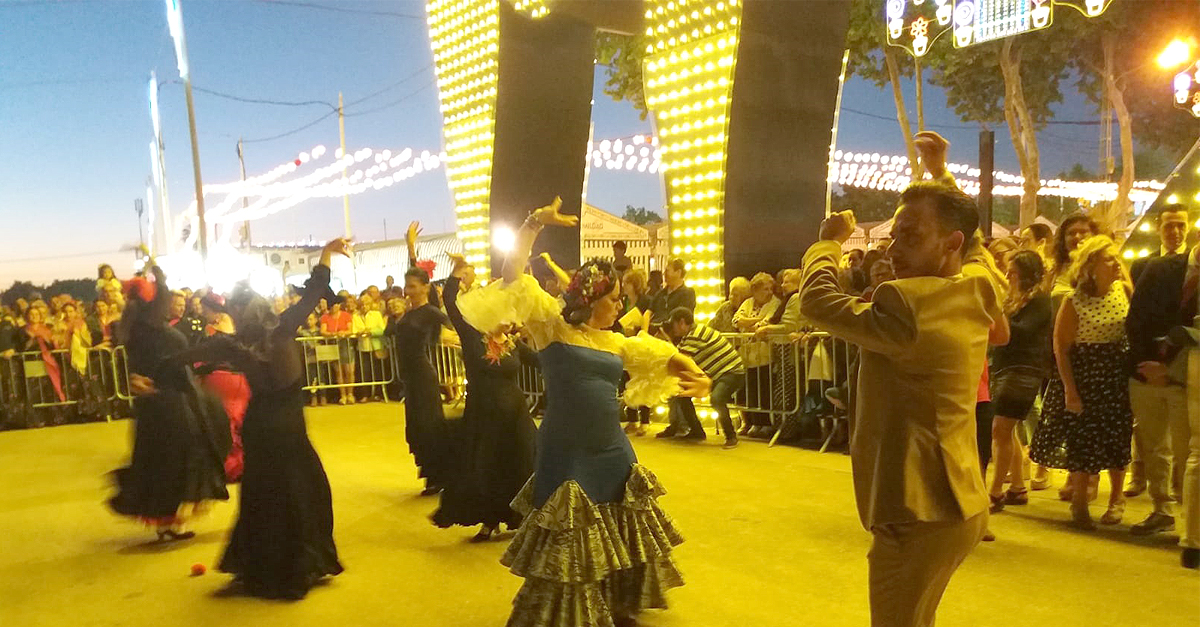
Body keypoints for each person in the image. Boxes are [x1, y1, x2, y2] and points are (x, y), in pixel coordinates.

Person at [456, 197, 709, 627]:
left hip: (612, 447)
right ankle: (566, 611)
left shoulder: (615, 341)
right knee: (571, 528)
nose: (619, 307)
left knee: (619, 521)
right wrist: (533, 222)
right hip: (567, 446)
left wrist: (698, 374)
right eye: (613, 299)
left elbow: (662, 355)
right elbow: (513, 275)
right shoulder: (551, 326)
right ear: (592, 298)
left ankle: (616, 603)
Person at [800, 131, 1003, 627]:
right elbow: (971, 238)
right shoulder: (980, 287)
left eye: (910, 237)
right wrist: (940, 176)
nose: (893, 249)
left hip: (917, 508)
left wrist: (826, 244)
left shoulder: (905, 304)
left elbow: (818, 302)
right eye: (895, 234)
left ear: (950, 245)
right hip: (960, 504)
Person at [166, 238, 349, 599]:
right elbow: (315, 291)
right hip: (288, 430)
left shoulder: (230, 345)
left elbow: (176, 360)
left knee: (263, 498)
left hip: (260, 428)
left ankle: (261, 565)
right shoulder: (283, 328)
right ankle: (296, 566)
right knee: (300, 495)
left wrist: (149, 377)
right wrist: (326, 254)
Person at [109, 264, 230, 541]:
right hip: (171, 401)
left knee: (162, 460)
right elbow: (174, 367)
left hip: (156, 403)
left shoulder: (136, 329)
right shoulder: (157, 331)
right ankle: (173, 521)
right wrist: (158, 273)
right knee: (184, 457)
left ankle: (167, 522)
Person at [431, 253, 536, 541]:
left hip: (516, 416)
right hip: (484, 416)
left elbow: (543, 362)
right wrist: (456, 272)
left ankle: (520, 516)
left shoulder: (513, 344)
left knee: (520, 464)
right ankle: (489, 520)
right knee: (486, 467)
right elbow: (450, 302)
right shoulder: (472, 337)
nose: (507, 318)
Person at [1033, 235, 1133, 528]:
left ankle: (1116, 499)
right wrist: (1070, 390)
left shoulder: (1124, 290)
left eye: (1116, 258)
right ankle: (1079, 502)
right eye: (1109, 259)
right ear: (1091, 266)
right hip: (1085, 373)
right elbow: (1061, 347)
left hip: (1116, 372)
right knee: (1082, 439)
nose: (1116, 264)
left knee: (1117, 436)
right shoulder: (1074, 300)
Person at [1126, 204, 1192, 536]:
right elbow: (1135, 319)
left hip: (1185, 376)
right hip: (1146, 372)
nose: (1176, 232)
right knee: (1153, 446)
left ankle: (1190, 516)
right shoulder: (1149, 266)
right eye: (1170, 225)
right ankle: (1161, 508)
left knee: (1187, 451)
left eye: (1182, 225)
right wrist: (1150, 365)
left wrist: (1171, 368)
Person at [987, 251, 1052, 512]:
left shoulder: (1040, 300)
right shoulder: (1014, 299)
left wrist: (998, 314)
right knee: (1008, 429)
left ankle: (995, 491)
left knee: (1000, 429)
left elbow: (1023, 331)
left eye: (1012, 272)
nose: (1007, 276)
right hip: (1005, 367)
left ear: (1026, 274)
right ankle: (1016, 487)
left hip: (1024, 370)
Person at [394, 261, 454, 496]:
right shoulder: (410, 312)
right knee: (418, 427)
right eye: (406, 285)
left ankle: (439, 476)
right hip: (411, 378)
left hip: (422, 376)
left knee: (430, 426)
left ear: (425, 287)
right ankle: (431, 475)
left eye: (412, 286)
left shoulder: (430, 312)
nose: (407, 290)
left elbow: (453, 326)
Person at [665, 307, 746, 449]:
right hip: (720, 373)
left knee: (717, 399)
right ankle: (696, 431)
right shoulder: (691, 335)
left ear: (682, 322)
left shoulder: (696, 335)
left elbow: (679, 358)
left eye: (673, 324)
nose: (672, 329)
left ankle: (731, 436)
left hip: (731, 372)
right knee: (682, 395)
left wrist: (663, 341)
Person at [195, 292, 252, 483]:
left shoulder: (211, 330)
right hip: (239, 378)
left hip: (219, 379)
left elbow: (204, 358)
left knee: (222, 422)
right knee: (239, 420)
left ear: (214, 311)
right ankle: (243, 464)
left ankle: (230, 467)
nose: (203, 313)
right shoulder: (236, 326)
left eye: (205, 309)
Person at [730, 272, 780, 437]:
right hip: (748, 356)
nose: (769, 292)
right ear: (755, 290)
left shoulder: (775, 303)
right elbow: (736, 321)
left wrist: (750, 323)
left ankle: (766, 423)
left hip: (765, 355)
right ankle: (753, 422)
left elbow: (767, 322)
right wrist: (756, 320)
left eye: (770, 288)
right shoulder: (748, 302)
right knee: (750, 390)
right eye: (765, 289)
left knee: (765, 390)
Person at [319, 300, 355, 405]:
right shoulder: (325, 317)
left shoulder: (346, 315)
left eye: (336, 305)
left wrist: (343, 333)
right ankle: (343, 395)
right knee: (338, 372)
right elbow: (323, 331)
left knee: (349, 371)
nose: (334, 307)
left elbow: (350, 330)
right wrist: (333, 334)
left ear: (339, 305)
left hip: (346, 344)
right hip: (333, 345)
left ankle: (350, 394)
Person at [649, 258, 696, 329]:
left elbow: (683, 318)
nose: (664, 274)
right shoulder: (660, 294)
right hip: (655, 330)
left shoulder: (688, 294)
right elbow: (649, 312)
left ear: (678, 272)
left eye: (667, 271)